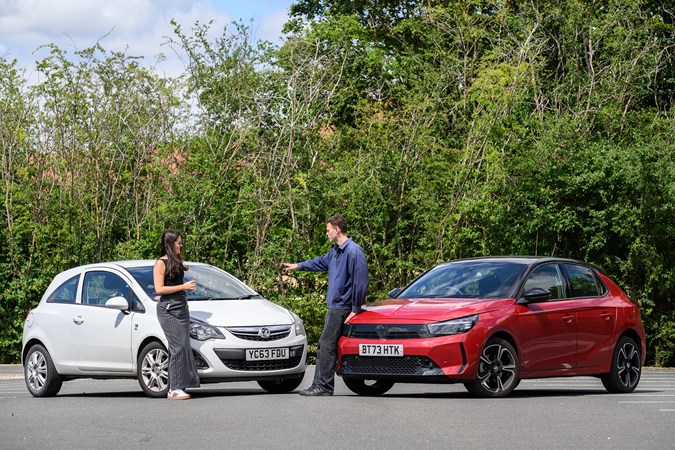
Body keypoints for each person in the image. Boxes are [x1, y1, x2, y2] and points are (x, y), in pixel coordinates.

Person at [283, 215, 369, 396]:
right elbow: (319, 262)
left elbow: (360, 283)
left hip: (342, 307)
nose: (326, 233)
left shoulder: (354, 251)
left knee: (325, 344)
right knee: (326, 345)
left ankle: (323, 386)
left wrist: (355, 309)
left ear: (337, 229)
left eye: (328, 230)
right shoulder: (335, 252)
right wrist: (299, 266)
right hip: (335, 306)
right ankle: (320, 385)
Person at [153, 230, 200, 400]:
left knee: (184, 346)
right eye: (179, 242)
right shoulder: (161, 263)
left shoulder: (176, 261)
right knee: (177, 347)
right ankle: (173, 388)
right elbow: (159, 289)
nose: (181, 245)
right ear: (170, 243)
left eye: (181, 242)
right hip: (168, 310)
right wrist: (183, 287)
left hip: (181, 307)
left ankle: (182, 384)